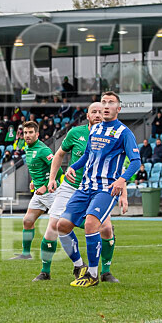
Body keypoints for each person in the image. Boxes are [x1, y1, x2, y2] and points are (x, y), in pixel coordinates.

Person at [60, 91, 141, 288]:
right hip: (85, 187)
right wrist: (73, 167)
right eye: (103, 102)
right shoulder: (95, 130)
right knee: (62, 226)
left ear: (118, 109)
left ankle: (93, 275)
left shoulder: (124, 132)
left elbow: (136, 161)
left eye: (110, 103)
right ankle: (80, 266)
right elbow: (87, 155)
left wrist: (121, 181)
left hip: (106, 189)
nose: (105, 106)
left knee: (91, 224)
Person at [38, 102, 124, 283]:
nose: (98, 114)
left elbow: (119, 169)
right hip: (70, 187)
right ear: (88, 115)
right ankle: (51, 270)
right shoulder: (76, 133)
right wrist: (52, 179)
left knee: (106, 228)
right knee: (54, 226)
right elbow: (59, 154)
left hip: (98, 189)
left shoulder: (113, 135)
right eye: (94, 112)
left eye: (101, 111)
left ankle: (105, 272)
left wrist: (122, 194)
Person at [8, 120, 65, 260]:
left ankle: (98, 228)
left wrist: (46, 184)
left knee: (65, 223)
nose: (27, 135)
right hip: (39, 194)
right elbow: (38, 169)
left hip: (51, 193)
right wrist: (34, 182)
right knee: (27, 221)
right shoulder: (27, 148)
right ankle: (26, 254)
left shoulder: (43, 150)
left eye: (30, 132)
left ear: (37, 134)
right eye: (25, 133)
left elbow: (58, 170)